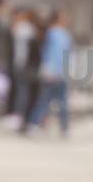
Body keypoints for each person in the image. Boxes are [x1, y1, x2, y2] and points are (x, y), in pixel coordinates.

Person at [26, 9, 73, 137]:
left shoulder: (56, 34)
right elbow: (56, 55)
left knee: (50, 101)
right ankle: (38, 125)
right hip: (55, 74)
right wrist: (55, 71)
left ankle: (40, 125)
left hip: (56, 72)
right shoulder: (56, 34)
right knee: (50, 101)